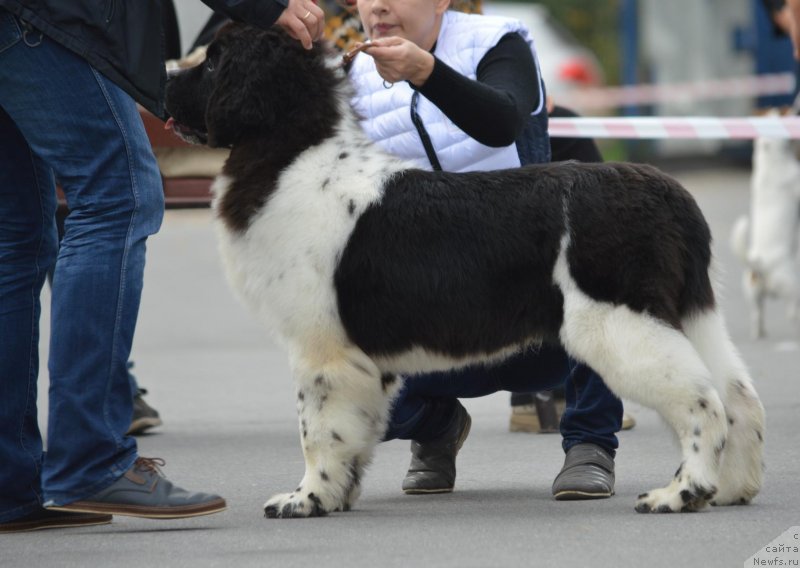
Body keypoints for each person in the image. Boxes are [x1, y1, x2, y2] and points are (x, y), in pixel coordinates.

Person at [0, 0, 323, 533]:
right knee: (117, 194)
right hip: (44, 16)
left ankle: (9, 481)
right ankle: (90, 460)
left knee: (15, 235)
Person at [347, 0, 621, 500]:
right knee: (350, 394)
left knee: (602, 283)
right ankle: (437, 427)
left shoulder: (498, 42)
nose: (378, 5)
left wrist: (426, 72)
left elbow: (502, 123)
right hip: (438, 314)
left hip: (535, 297)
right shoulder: (352, 73)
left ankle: (590, 444)